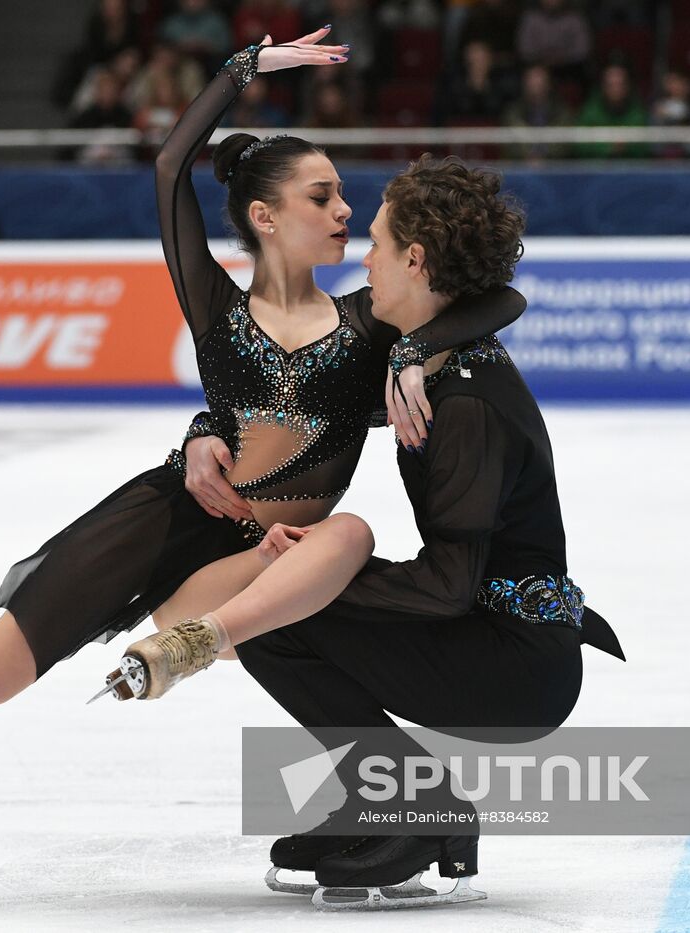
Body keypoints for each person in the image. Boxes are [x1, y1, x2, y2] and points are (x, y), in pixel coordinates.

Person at [0, 30, 524, 736]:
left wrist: (413, 352)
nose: (345, 212)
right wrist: (243, 70)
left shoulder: (371, 325)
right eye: (324, 196)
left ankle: (376, 789)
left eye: (344, 199)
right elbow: (168, 168)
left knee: (348, 536)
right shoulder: (217, 308)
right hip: (167, 520)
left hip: (254, 562)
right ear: (266, 217)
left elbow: (499, 295)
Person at [103, 155, 624, 908]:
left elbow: (449, 585)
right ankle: (380, 792)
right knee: (280, 596)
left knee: (277, 609)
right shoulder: (428, 357)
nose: (364, 257)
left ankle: (419, 802)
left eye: (378, 243)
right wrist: (203, 432)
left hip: (515, 667)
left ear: (415, 259)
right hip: (496, 636)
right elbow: (283, 396)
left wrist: (324, 568)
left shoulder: (467, 402)